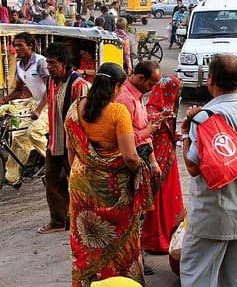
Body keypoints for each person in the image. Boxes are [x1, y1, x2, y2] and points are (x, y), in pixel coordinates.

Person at [180, 54, 237, 287]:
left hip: (212, 214)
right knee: (234, 280)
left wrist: (184, 134)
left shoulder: (204, 118)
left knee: (197, 277)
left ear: (210, 80)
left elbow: (192, 167)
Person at [64, 63, 153, 286]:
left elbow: (71, 149)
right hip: (114, 190)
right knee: (120, 244)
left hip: (81, 185)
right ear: (115, 87)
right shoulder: (117, 112)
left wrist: (81, 175)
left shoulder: (74, 109)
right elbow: (130, 157)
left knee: (86, 242)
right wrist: (141, 173)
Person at [33, 43, 88, 234]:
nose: (49, 67)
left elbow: (83, 116)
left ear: (64, 64)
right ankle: (58, 220)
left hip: (72, 144)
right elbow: (48, 98)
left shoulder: (78, 84)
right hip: (55, 140)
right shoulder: (50, 81)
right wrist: (38, 110)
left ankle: (79, 219)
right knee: (52, 179)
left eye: (53, 63)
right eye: (48, 62)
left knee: (76, 182)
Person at [116, 60, 162, 276]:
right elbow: (125, 139)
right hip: (132, 158)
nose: (152, 89)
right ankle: (132, 261)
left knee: (139, 213)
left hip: (142, 156)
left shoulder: (137, 96)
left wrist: (152, 161)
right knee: (134, 214)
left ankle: (136, 258)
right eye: (151, 84)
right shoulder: (124, 98)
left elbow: (143, 130)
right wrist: (148, 131)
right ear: (141, 78)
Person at [142, 76, 184, 253]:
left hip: (168, 157)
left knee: (168, 195)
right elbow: (147, 127)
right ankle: (156, 238)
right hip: (157, 160)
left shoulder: (168, 107)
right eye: (176, 91)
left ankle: (169, 235)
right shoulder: (153, 109)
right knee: (158, 196)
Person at [0, 32, 49, 186]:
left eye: (20, 45)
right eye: (15, 45)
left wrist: (39, 110)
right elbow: (19, 90)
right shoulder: (20, 66)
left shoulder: (40, 62)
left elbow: (51, 89)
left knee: (33, 132)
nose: (17, 48)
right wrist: (3, 100)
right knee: (18, 138)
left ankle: (53, 162)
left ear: (30, 46)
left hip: (48, 105)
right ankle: (13, 177)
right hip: (34, 105)